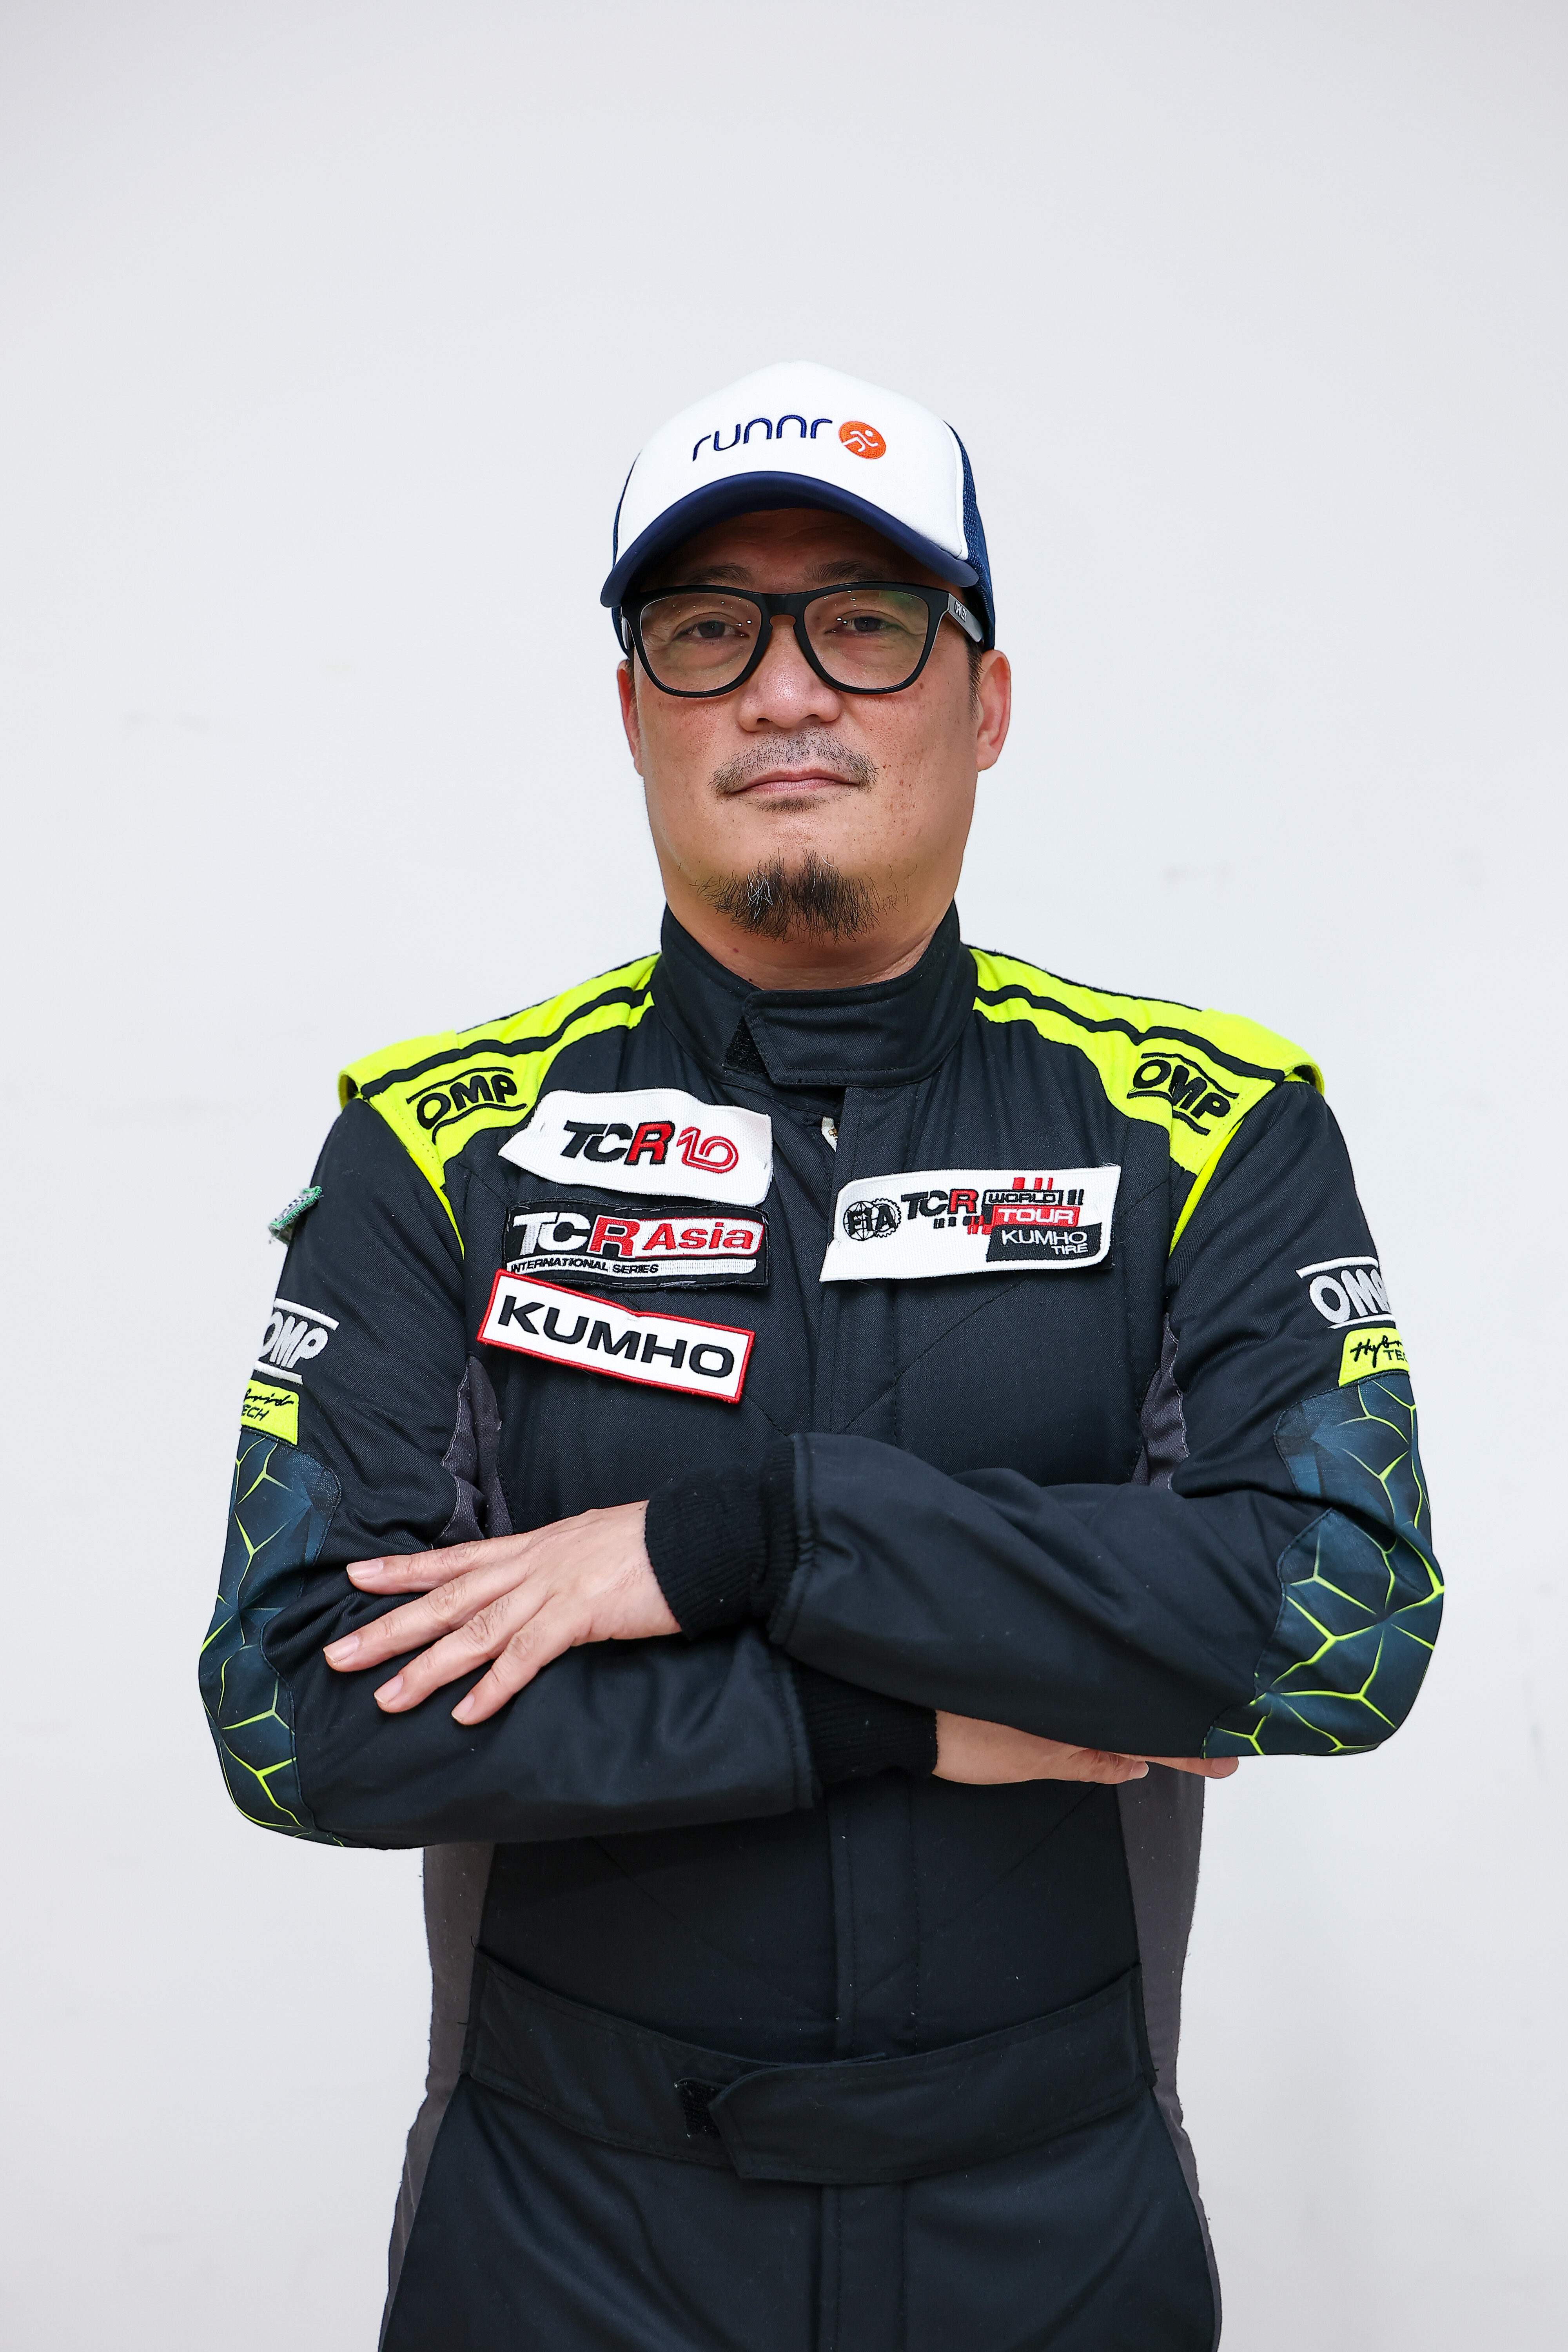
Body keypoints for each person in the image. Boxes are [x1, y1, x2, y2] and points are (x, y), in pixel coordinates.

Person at [201, 361, 1441, 2351]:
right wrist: (877, 1719)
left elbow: (1337, 1628)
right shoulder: (443, 1145)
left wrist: (747, 1537)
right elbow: (293, 1713)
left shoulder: (1209, 1124)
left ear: (985, 701)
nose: (785, 692)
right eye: (708, 633)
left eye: (863, 623)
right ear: (635, 716)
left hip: (1054, 2240)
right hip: (564, 2245)